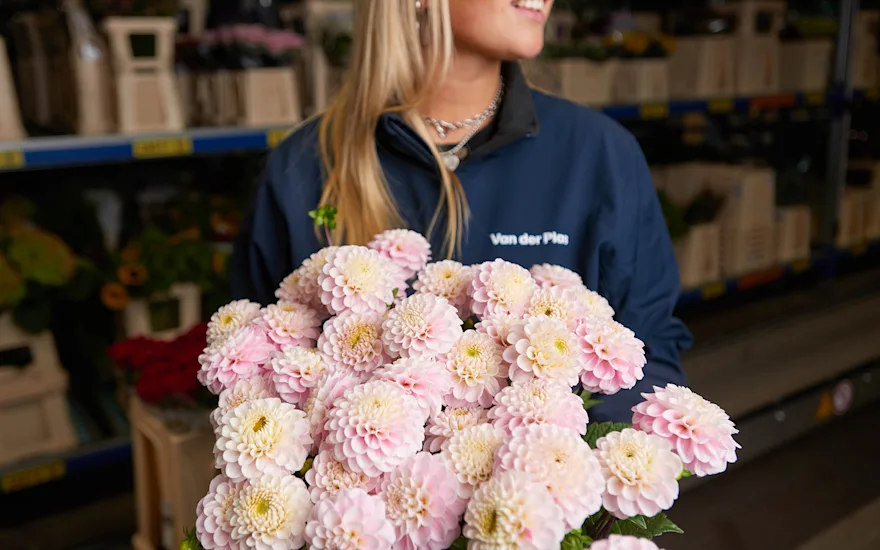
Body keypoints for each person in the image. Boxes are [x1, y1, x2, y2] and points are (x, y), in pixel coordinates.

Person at [231, 0, 692, 422]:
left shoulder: (599, 155)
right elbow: (255, 373)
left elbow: (648, 351)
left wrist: (570, 487)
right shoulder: (303, 168)